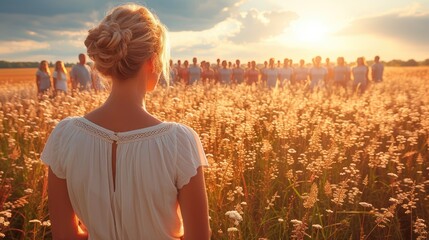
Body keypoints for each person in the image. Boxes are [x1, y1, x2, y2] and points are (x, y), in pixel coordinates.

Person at [41, 4, 210, 240]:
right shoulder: (179, 141)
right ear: (152, 61)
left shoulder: (65, 135)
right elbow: (199, 237)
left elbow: (64, 235)